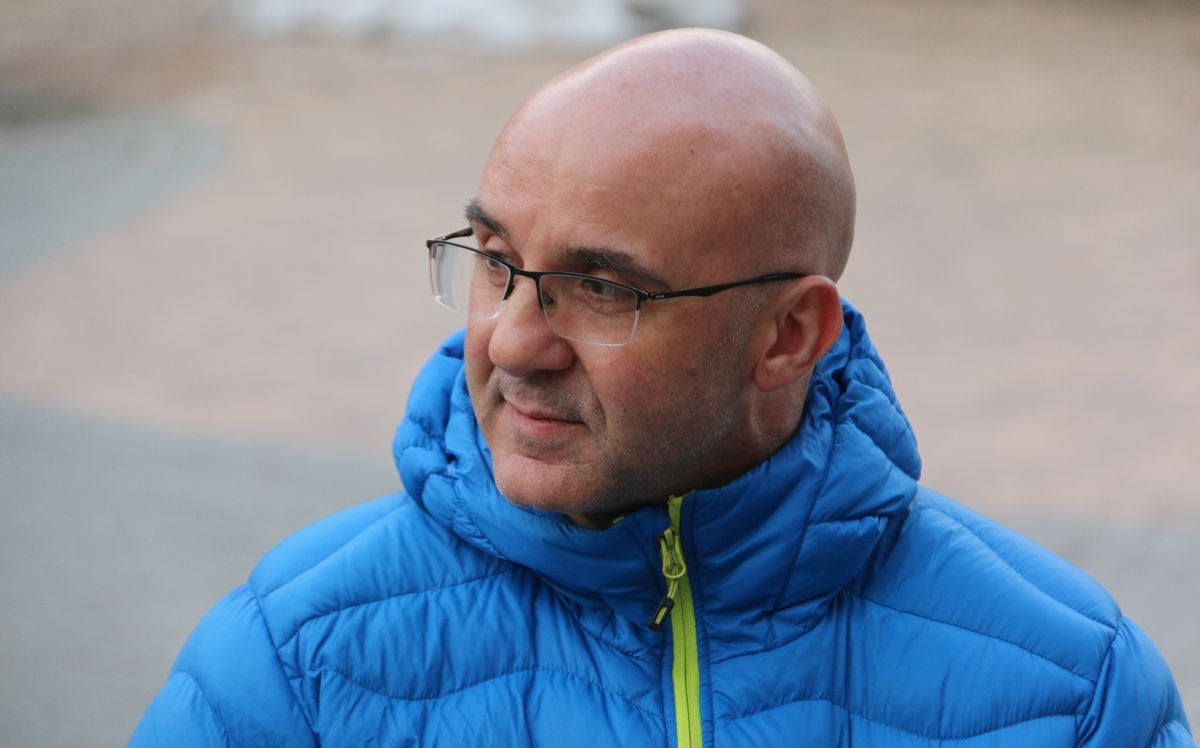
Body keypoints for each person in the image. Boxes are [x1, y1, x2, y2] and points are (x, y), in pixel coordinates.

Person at [132, 28, 1193, 746]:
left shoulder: (1071, 693)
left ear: (787, 336)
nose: (511, 342)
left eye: (600, 287)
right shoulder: (298, 657)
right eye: (496, 259)